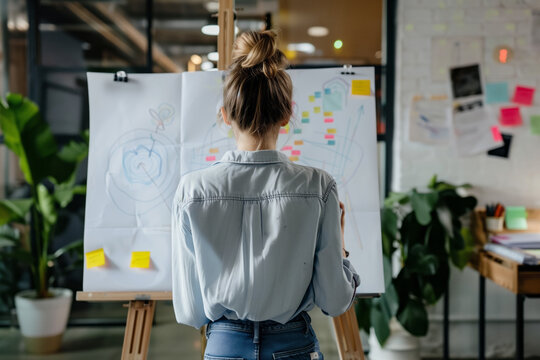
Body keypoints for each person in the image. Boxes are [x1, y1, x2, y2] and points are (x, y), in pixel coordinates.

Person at [171, 30, 359, 360]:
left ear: (226, 115)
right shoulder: (318, 187)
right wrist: (339, 244)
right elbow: (333, 301)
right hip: (293, 345)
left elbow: (190, 312)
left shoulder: (192, 191)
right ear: (287, 113)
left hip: (224, 347)